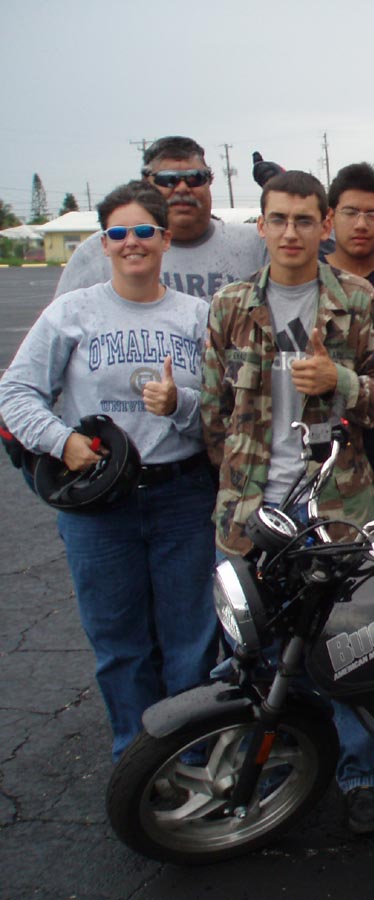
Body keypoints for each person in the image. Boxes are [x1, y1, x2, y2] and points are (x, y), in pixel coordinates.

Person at [201, 170, 374, 833]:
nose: (291, 232)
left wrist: (340, 380)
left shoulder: (356, 299)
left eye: (304, 220)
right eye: (279, 219)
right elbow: (213, 415)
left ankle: (362, 774)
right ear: (261, 226)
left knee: (350, 643)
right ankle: (259, 765)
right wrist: (239, 481)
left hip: (338, 505)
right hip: (251, 508)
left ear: (324, 226)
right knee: (250, 646)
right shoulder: (230, 305)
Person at [0, 181, 218, 761]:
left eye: (144, 231)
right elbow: (15, 392)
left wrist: (180, 404)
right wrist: (63, 441)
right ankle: (138, 762)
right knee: (120, 644)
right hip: (99, 506)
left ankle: (191, 760)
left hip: (181, 496)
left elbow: (226, 412)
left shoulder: (197, 317)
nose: (131, 242)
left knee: (191, 641)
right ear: (103, 244)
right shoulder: (71, 313)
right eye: (118, 233)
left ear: (165, 240)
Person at [55, 136, 266, 300]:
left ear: (209, 182)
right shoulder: (104, 249)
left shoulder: (257, 244)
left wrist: (277, 185)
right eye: (168, 179)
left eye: (195, 178)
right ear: (145, 183)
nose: (182, 188)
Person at [320, 162, 374, 523]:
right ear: (330, 217)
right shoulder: (309, 276)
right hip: (329, 447)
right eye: (350, 212)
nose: (360, 224)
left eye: (372, 214)